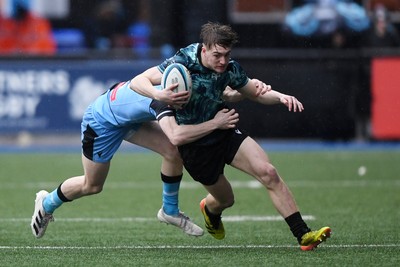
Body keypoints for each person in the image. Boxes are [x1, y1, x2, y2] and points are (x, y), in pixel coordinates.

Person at [130, 22, 332, 251]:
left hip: (224, 129)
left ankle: (303, 235)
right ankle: (210, 210)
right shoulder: (182, 62)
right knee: (226, 200)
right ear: (204, 49)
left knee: (269, 173)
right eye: (217, 55)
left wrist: (281, 97)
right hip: (196, 146)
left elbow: (255, 92)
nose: (223, 61)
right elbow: (138, 81)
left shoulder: (230, 68)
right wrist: (158, 93)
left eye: (227, 55)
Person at [30, 80, 242, 238]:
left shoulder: (178, 79)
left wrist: (230, 93)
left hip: (128, 115)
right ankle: (47, 203)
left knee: (173, 152)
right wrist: (216, 123)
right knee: (92, 185)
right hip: (102, 122)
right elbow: (177, 134)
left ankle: (169, 211)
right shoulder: (163, 103)